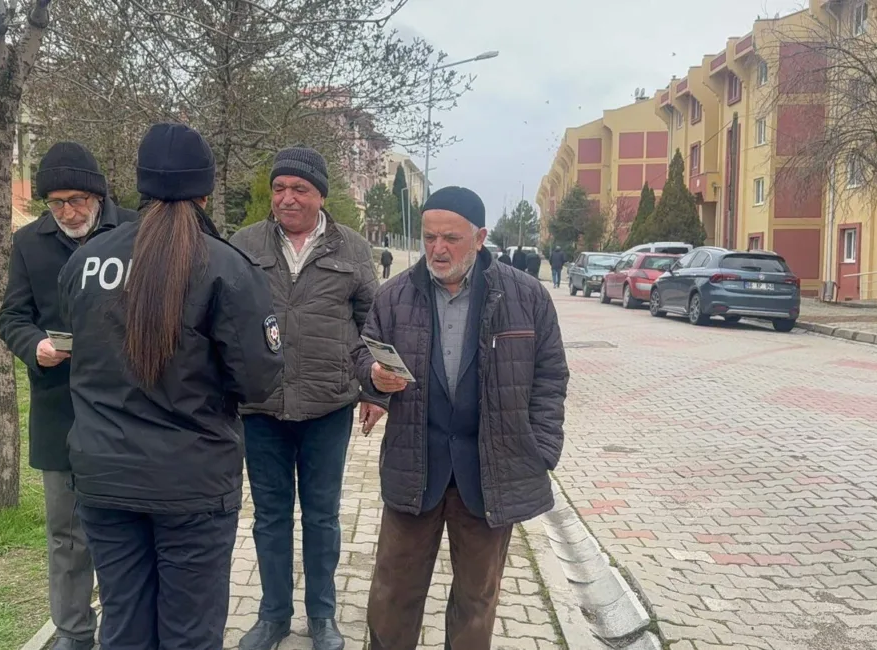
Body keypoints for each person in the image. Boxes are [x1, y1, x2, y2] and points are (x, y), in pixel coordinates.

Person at [58, 123, 283, 650]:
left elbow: (80, 346)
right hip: (191, 482)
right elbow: (259, 379)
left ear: (139, 186)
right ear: (205, 191)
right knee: (190, 635)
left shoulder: (86, 261)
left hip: (104, 475)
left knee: (123, 625)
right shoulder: (227, 266)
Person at [357, 186, 569, 650]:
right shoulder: (394, 296)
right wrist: (373, 376)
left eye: (450, 238)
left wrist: (542, 448)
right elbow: (363, 350)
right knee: (393, 595)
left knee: (477, 600)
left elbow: (550, 376)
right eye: (430, 237)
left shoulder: (527, 296)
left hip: (489, 474)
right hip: (415, 469)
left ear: (480, 237)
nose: (437, 249)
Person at [229, 146, 383, 650]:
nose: (286, 198)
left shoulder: (353, 249)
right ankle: (273, 615)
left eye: (299, 189)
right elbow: (222, 319)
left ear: (321, 195)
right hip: (261, 407)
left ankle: (323, 617)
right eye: (279, 188)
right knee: (270, 517)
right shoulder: (244, 243)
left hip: (327, 406)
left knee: (321, 516)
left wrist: (374, 389)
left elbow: (372, 324)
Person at [0, 141, 136, 650]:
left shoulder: (136, 231)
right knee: (67, 534)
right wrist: (35, 345)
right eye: (55, 203)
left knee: (127, 531)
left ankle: (128, 628)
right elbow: (11, 315)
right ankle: (74, 632)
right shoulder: (29, 243)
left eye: (77, 199)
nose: (68, 212)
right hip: (59, 409)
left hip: (129, 408)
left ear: (98, 193)